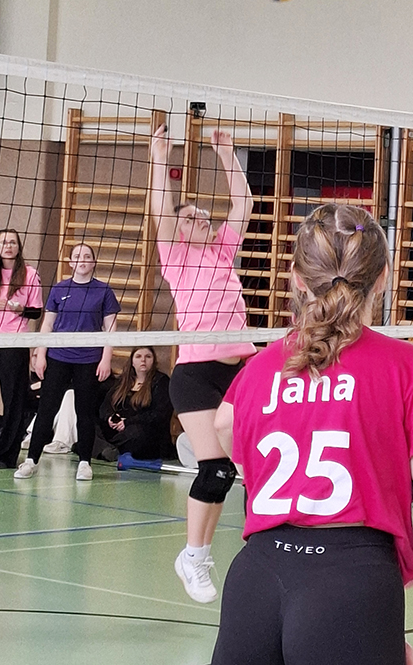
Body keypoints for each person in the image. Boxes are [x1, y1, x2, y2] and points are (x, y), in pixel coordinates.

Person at [212, 203, 413, 665]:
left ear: (296, 279)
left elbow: (223, 425)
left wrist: (257, 473)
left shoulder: (264, 365)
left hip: (256, 577)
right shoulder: (406, 366)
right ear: (383, 277)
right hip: (353, 578)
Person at [150, 124, 256, 603]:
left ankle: (258, 537)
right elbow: (162, 208)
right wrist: (159, 156)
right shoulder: (175, 257)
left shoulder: (222, 252)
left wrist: (226, 154)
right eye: (191, 216)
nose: (203, 219)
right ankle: (194, 557)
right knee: (214, 471)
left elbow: (244, 203)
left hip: (240, 372)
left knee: (233, 469)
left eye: (203, 214)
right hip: (195, 376)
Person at [14, 243, 120, 481]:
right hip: (58, 357)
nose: (82, 260)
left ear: (93, 262)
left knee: (85, 412)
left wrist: (106, 358)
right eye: (77, 256)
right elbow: (47, 324)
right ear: (70, 262)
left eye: (86, 256)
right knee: (46, 410)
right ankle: (31, 461)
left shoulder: (103, 291)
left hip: (89, 359)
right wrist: (40, 354)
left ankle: (84, 462)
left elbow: (111, 327)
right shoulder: (60, 289)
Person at [0, 229, 43, 469]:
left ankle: (4, 457)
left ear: (18, 247)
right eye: (4, 242)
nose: (8, 246)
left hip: (14, 343)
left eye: (12, 242)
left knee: (14, 401)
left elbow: (36, 311)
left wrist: (19, 310)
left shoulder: (30, 274)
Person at [98, 346, 172, 461]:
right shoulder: (124, 380)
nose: (143, 360)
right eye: (138, 356)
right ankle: (110, 449)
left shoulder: (161, 381)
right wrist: (110, 417)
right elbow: (105, 406)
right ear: (132, 361)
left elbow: (159, 415)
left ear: (153, 361)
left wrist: (127, 422)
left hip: (145, 432)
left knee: (137, 434)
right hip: (119, 430)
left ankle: (105, 449)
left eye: (148, 357)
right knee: (93, 424)